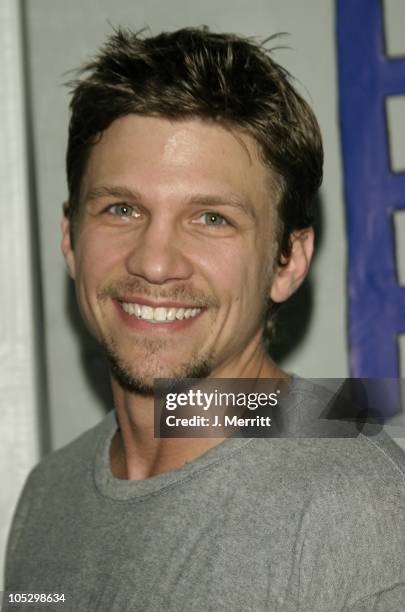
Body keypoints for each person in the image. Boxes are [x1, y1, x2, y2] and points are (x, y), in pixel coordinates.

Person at [4, 26, 405, 611]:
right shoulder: (50, 493)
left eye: (211, 219)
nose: (154, 261)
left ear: (287, 261)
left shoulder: (361, 507)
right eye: (121, 208)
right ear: (70, 237)